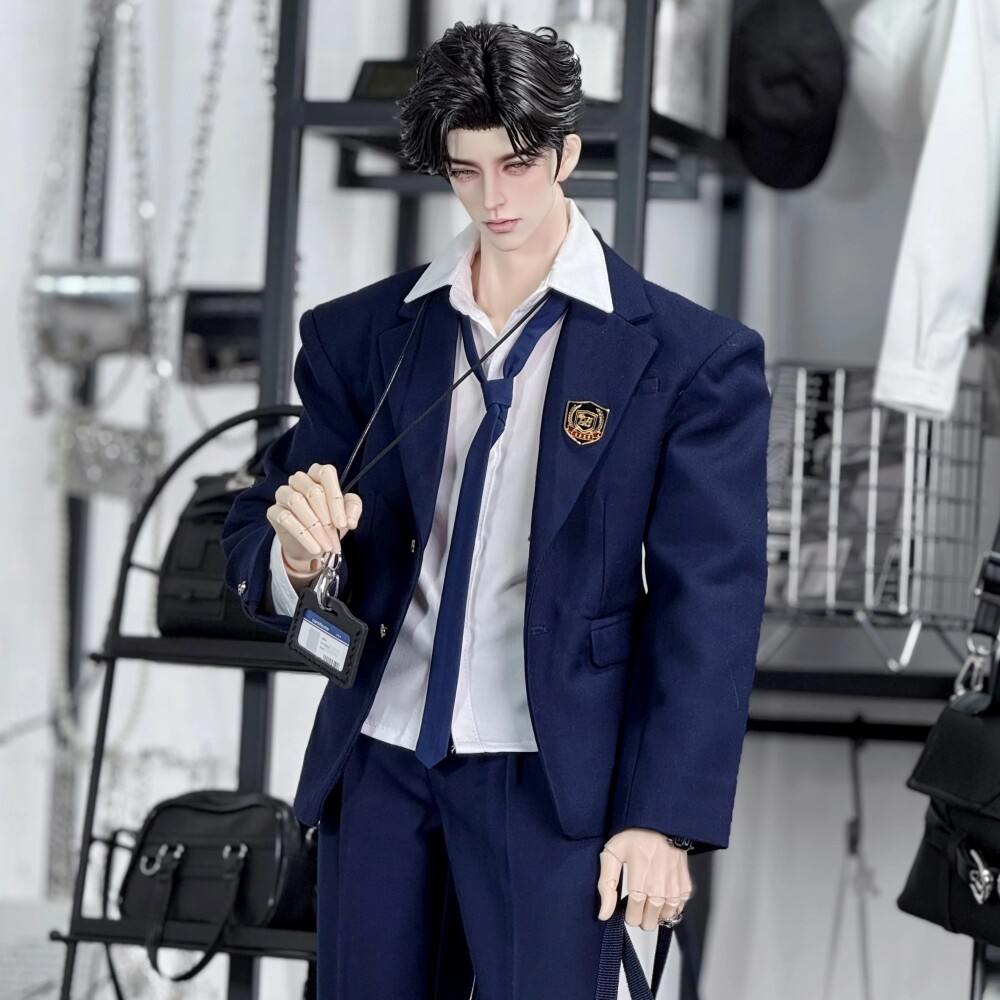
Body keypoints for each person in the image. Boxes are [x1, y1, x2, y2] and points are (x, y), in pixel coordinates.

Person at [222, 19, 770, 1000]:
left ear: (566, 153)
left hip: (555, 778)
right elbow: (263, 527)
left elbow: (710, 605)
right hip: (381, 756)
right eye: (465, 170)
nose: (494, 198)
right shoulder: (359, 334)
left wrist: (662, 818)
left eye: (517, 164)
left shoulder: (693, 360)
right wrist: (300, 560)